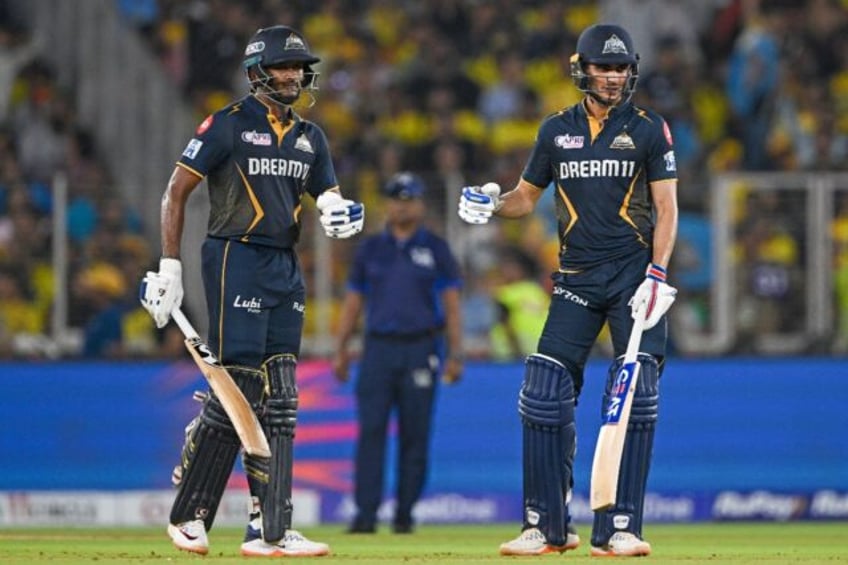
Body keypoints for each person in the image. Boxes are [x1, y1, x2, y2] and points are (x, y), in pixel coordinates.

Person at [139, 25, 364, 557]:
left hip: (284, 265)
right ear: (258, 72)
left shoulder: (311, 137)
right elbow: (175, 192)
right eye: (283, 67)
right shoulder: (228, 125)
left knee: (282, 397)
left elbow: (330, 197)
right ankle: (190, 515)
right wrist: (169, 267)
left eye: (298, 68)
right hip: (233, 257)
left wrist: (340, 213)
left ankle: (272, 530)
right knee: (238, 385)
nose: (292, 76)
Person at [458, 23, 678, 557]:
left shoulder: (649, 128)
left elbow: (667, 208)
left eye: (622, 67)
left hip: (632, 278)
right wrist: (491, 205)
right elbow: (524, 199)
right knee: (543, 395)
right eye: (604, 67)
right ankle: (546, 525)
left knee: (635, 395)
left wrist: (657, 274)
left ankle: (620, 526)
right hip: (576, 278)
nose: (613, 77)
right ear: (581, 69)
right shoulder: (556, 130)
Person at [332, 172, 463, 534]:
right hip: (378, 348)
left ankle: (405, 513)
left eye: (408, 198)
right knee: (370, 432)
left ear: (420, 204)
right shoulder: (370, 249)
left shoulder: (436, 248)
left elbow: (451, 304)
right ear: (387, 204)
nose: (401, 205)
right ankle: (365, 515)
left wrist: (455, 353)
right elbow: (353, 303)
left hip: (421, 347)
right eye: (395, 198)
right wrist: (341, 348)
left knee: (415, 434)